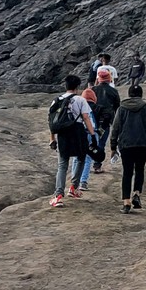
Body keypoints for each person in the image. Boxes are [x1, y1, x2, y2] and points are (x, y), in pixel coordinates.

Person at [49, 75, 96, 208]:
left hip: (63, 134)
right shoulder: (81, 100)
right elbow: (86, 118)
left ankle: (58, 195)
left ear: (66, 86)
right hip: (78, 132)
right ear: (77, 87)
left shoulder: (56, 100)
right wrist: (92, 135)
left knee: (62, 164)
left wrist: (52, 138)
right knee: (81, 159)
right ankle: (74, 188)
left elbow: (53, 121)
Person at [108, 84, 146, 214]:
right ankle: (137, 193)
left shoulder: (122, 108)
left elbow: (116, 128)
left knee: (127, 172)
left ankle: (126, 202)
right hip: (142, 144)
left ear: (129, 94)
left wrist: (113, 146)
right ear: (141, 94)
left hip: (126, 145)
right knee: (140, 169)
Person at [91, 68, 120, 174]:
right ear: (109, 79)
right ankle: (97, 165)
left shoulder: (93, 90)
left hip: (93, 119)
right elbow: (117, 107)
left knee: (92, 140)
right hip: (106, 120)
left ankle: (91, 163)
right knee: (101, 142)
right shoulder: (113, 91)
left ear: (98, 79)